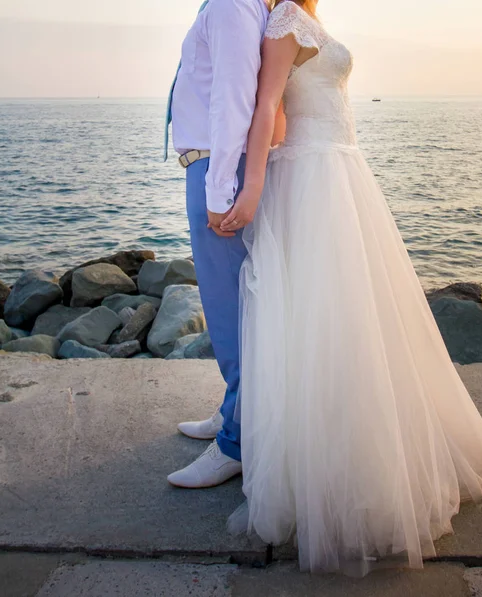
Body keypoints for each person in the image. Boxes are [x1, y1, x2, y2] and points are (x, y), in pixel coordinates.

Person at [221, 0, 482, 575]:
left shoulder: (314, 22)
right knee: (327, 320)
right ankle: (325, 479)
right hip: (312, 177)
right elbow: (267, 103)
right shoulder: (284, 22)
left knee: (360, 323)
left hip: (342, 171)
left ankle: (366, 459)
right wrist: (252, 187)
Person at [164, 0, 269, 488]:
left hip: (216, 169)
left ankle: (238, 441)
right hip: (211, 165)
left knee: (230, 312)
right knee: (230, 306)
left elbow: (233, 99)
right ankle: (234, 408)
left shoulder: (231, 3)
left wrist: (219, 186)